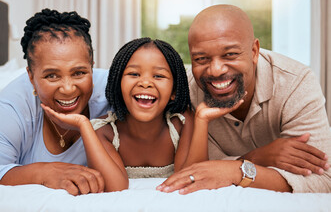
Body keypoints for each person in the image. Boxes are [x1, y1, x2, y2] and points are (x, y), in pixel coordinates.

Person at [157, 4, 331, 194]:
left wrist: (236, 171)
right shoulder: (187, 92)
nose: (216, 70)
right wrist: (256, 157)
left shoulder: (296, 83)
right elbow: (196, 174)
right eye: (201, 59)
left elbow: (323, 179)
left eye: (230, 54)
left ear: (254, 52)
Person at [41, 37, 243, 191]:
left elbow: (189, 177)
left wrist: (201, 119)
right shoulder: (104, 132)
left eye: (158, 75)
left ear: (174, 91)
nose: (145, 83)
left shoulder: (182, 121)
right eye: (134, 74)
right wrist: (84, 125)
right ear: (118, 85)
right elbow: (117, 186)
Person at [0, 9, 110, 195]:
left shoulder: (111, 89)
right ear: (31, 76)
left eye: (79, 73)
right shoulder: (16, 103)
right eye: (52, 75)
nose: (68, 88)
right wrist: (43, 172)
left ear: (92, 67)